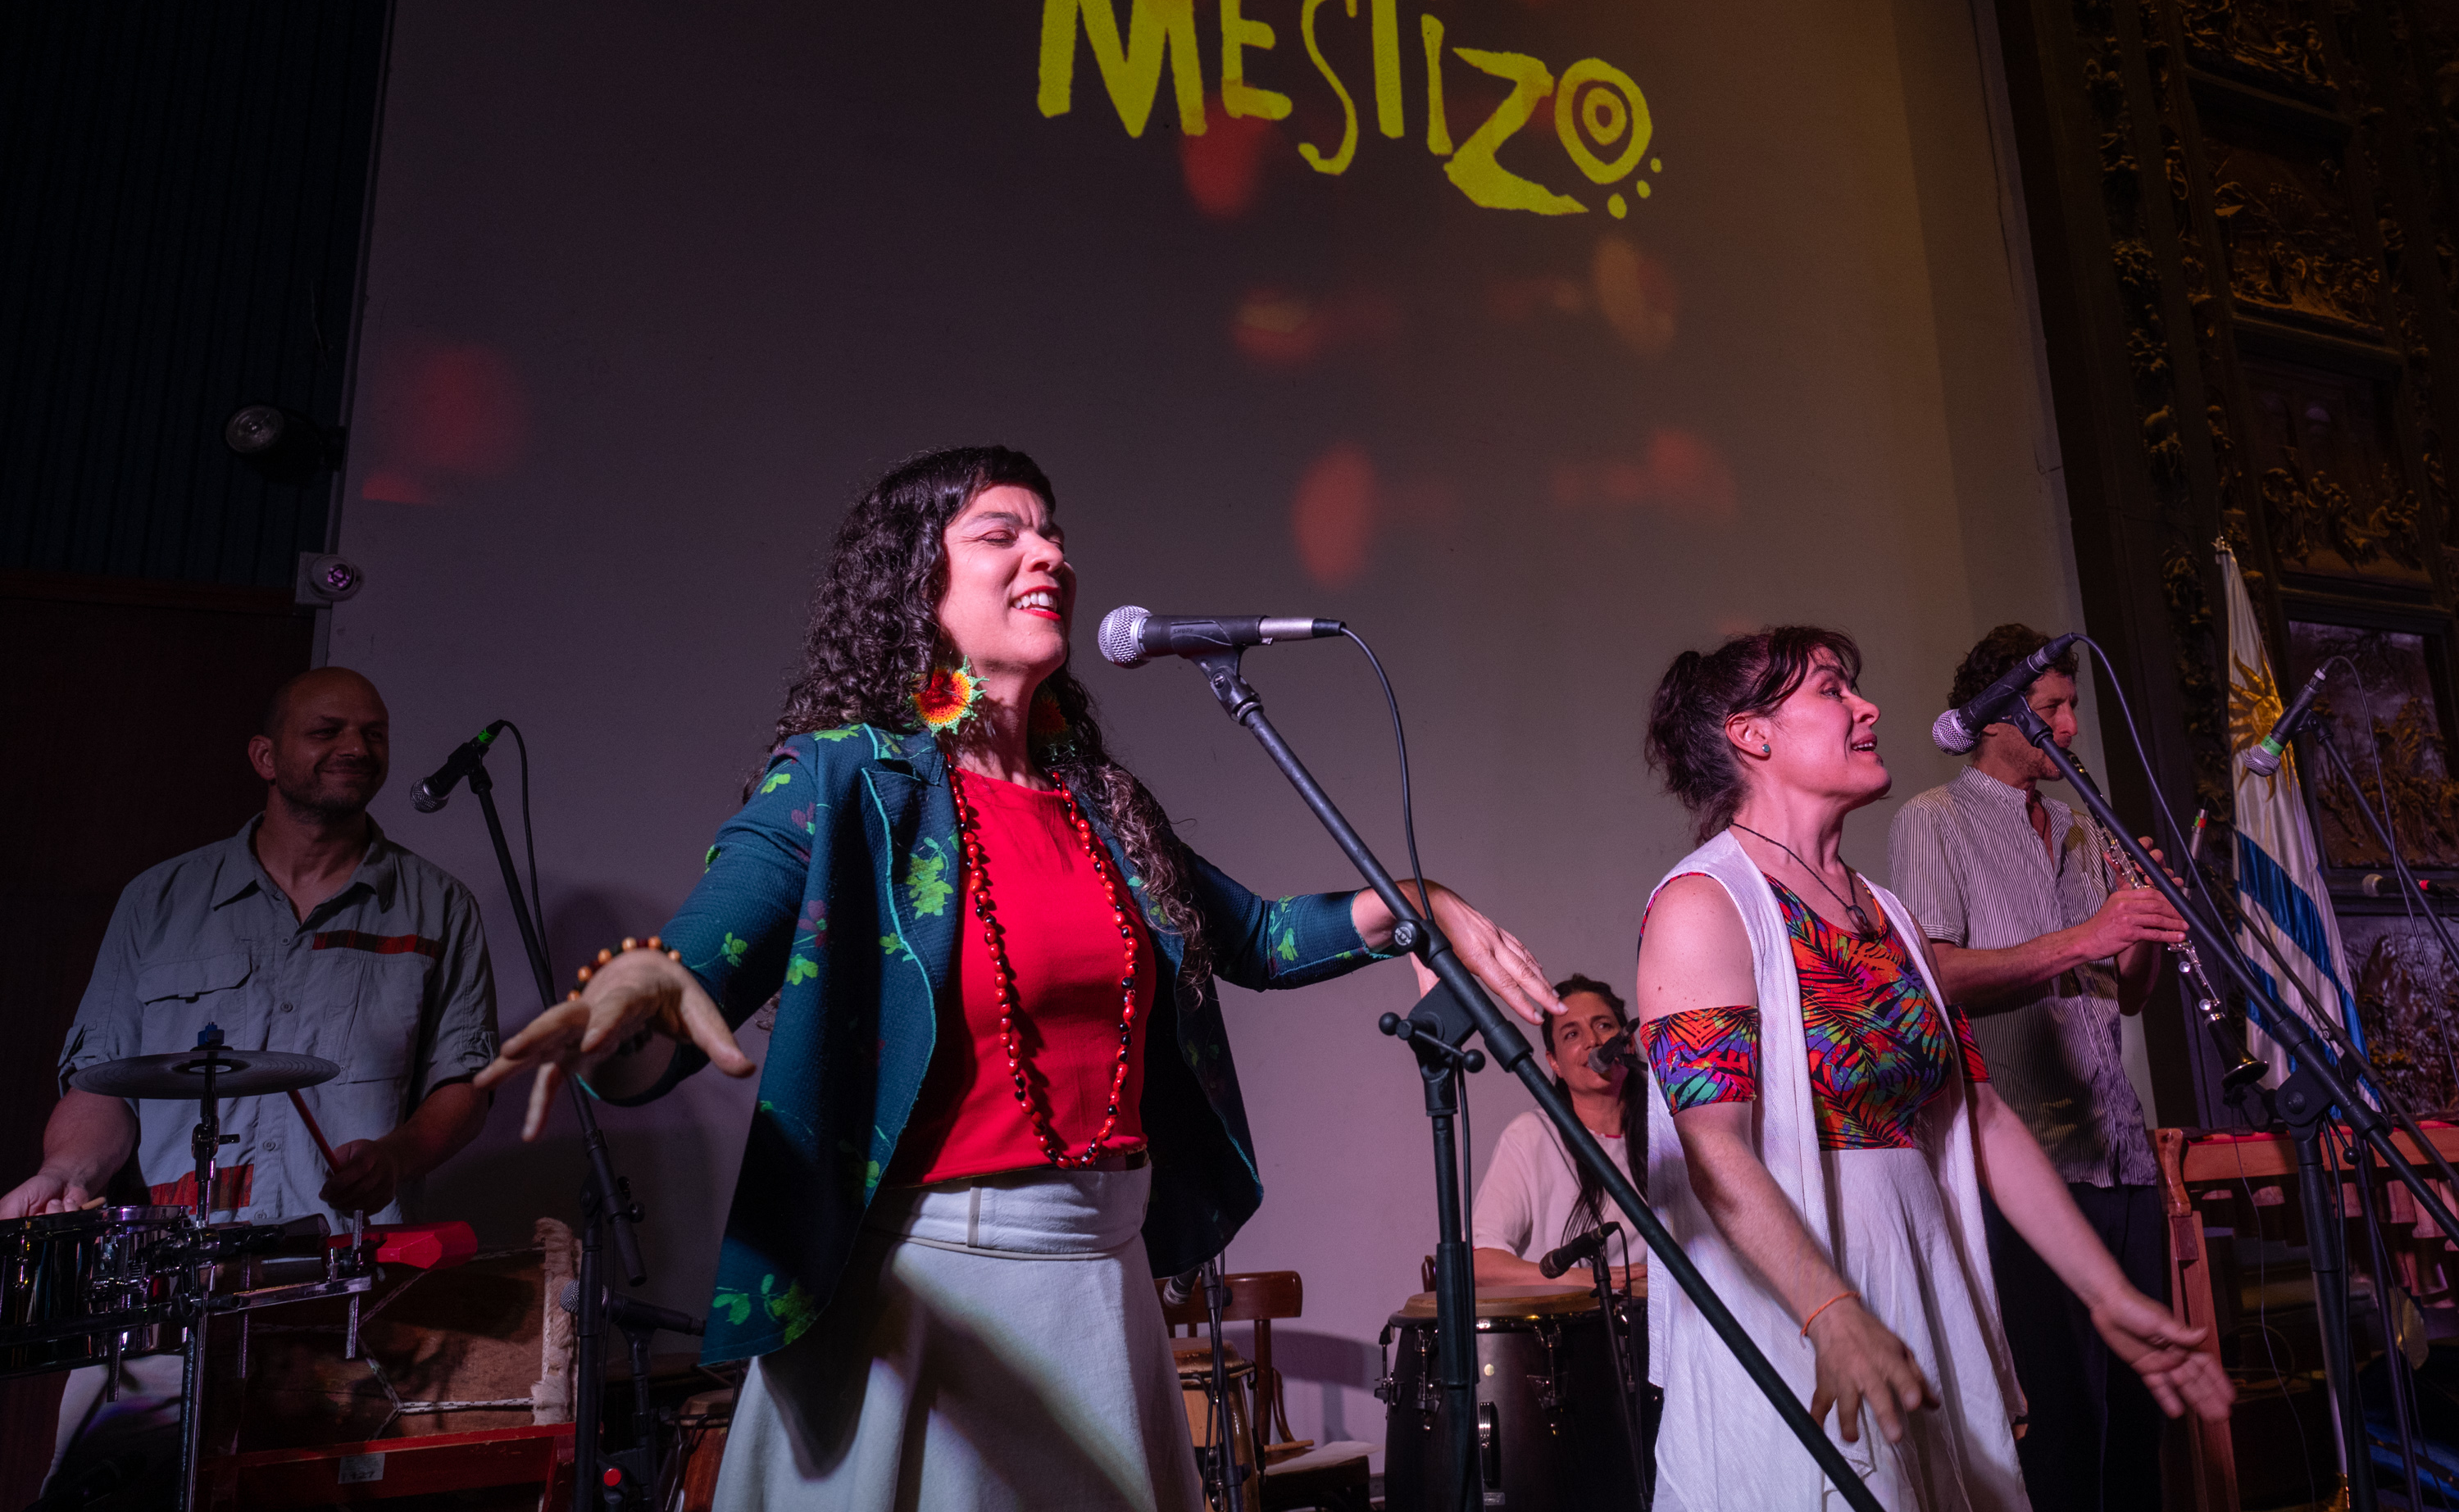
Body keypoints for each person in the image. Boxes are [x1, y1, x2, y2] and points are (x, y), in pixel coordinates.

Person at [475, 446, 1560, 1512]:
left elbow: (1265, 939)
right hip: (932, 1294)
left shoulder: (1103, 808)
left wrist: (1421, 899)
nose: (1047, 552)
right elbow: (721, 926)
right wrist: (649, 981)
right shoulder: (851, 776)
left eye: (1053, 534)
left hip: (1105, 1275)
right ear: (917, 582)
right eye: (1001, 533)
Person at [1634, 627, 2227, 1511]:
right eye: (1833, 690)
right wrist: (1828, 1307)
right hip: (1795, 1289)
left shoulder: (1889, 913)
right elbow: (1712, 1147)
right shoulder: (1702, 903)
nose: (1867, 706)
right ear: (1752, 734)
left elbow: (1978, 1115)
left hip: (1917, 1263)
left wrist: (2107, 1292)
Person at [4, 666, 499, 1505]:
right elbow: (103, 1085)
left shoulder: (438, 906)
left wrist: (396, 1152)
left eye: (373, 732)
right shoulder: (158, 900)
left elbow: (464, 1081)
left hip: (345, 1289)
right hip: (168, 1289)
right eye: (328, 729)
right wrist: (65, 1174)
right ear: (266, 755)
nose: (356, 746)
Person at [1887, 624, 2188, 1512]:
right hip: (2026, 1169)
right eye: (2052, 707)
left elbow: (2126, 995)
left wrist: (2145, 923)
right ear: (1997, 717)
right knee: (2062, 1422)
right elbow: (1933, 974)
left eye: (2071, 707)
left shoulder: (2082, 828)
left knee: (2138, 1422)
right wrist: (2089, 935)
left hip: (2121, 1151)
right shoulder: (1933, 819)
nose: (2069, 725)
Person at [1470, 974, 1648, 1292]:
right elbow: (1481, 1264)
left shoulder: (1669, 1136)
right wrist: (1586, 1281)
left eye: (1604, 1026)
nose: (1593, 1041)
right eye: (1571, 1034)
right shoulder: (1531, 1136)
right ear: (1554, 1063)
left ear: (1628, 1043)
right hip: (1566, 1334)